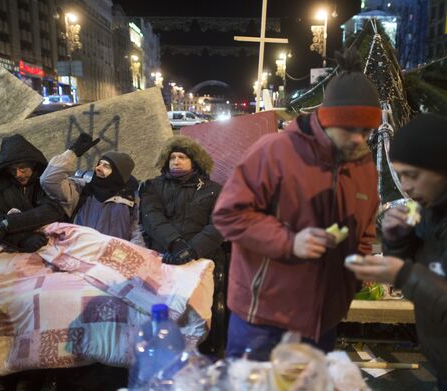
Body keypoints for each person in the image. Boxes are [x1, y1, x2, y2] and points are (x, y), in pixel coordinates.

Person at [213, 48, 382, 359]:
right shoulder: (275, 151)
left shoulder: (364, 167)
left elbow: (365, 229)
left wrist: (361, 267)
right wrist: (291, 242)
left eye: (366, 130)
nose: (359, 140)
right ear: (326, 119)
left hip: (322, 321)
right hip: (263, 319)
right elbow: (228, 215)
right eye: (349, 129)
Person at [346, 113, 447, 389]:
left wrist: (402, 274)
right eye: (400, 175)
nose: (406, 187)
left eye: (412, 175)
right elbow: (416, 267)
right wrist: (395, 239)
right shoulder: (428, 210)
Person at [40, 132, 143, 245]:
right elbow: (48, 180)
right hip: (80, 252)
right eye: (99, 164)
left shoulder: (132, 198)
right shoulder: (81, 189)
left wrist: (131, 255)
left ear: (119, 174)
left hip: (113, 257)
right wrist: (72, 153)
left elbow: (138, 232)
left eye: (106, 166)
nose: (98, 168)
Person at [140, 134, 223, 265]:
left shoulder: (214, 190)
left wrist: (192, 250)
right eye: (172, 157)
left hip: (201, 260)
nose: (176, 162)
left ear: (195, 161)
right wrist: (174, 243)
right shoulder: (153, 186)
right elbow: (151, 217)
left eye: (182, 157)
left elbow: (219, 225)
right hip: (163, 257)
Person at [0, 134, 67, 253]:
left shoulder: (45, 182)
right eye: (12, 170)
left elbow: (52, 210)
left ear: (34, 164)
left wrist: (7, 224)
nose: (18, 174)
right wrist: (21, 239)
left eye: (22, 168)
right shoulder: (1, 188)